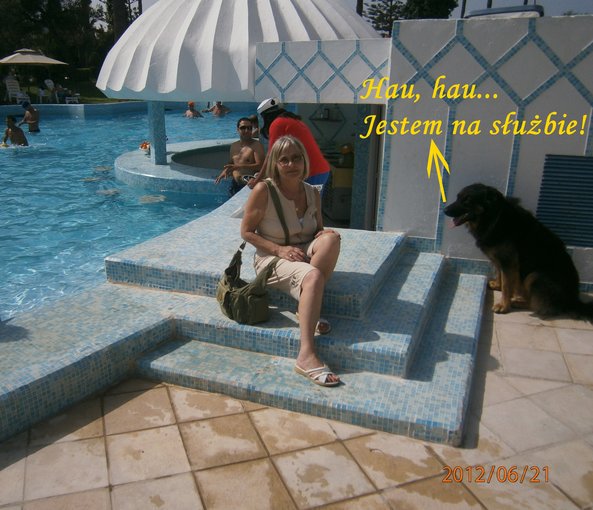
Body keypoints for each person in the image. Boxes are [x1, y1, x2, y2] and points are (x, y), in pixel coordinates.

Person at [241, 135, 341, 387]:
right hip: (271, 257)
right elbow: (246, 232)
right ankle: (306, 355)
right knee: (314, 276)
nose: (291, 164)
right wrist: (279, 249)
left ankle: (305, 305)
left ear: (304, 160)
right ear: (275, 164)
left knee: (331, 239)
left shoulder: (312, 192)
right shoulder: (264, 191)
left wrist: (325, 234)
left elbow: (317, 230)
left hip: (302, 251)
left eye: (296, 158)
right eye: (283, 160)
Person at [249, 98, 330, 190]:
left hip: (311, 172)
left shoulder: (277, 123)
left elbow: (271, 156)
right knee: (311, 199)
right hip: (319, 170)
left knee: (306, 200)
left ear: (265, 116)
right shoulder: (292, 120)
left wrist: (257, 181)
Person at [215, 117, 265, 195]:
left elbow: (261, 166)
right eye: (243, 128)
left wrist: (239, 166)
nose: (246, 130)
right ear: (238, 129)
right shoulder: (234, 146)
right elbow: (231, 163)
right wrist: (225, 171)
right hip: (235, 184)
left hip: (248, 186)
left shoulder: (256, 146)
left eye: (249, 128)